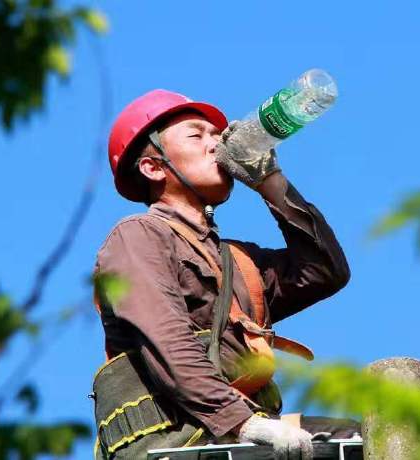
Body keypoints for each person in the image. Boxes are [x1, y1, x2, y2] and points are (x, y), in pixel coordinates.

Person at [92, 90, 360, 459]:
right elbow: (167, 341)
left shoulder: (236, 260)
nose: (216, 144)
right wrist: (243, 422)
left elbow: (323, 272)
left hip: (233, 433)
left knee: (374, 440)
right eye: (196, 135)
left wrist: (269, 181)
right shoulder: (137, 236)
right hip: (175, 444)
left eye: (218, 135)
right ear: (153, 167)